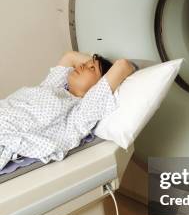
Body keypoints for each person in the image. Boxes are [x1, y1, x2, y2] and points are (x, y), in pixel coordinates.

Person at [0, 51, 136, 170]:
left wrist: (103, 70)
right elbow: (69, 57)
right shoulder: (53, 87)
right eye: (85, 63)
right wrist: (94, 64)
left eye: (92, 68)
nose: (82, 65)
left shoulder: (83, 110)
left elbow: (123, 65)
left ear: (98, 86)